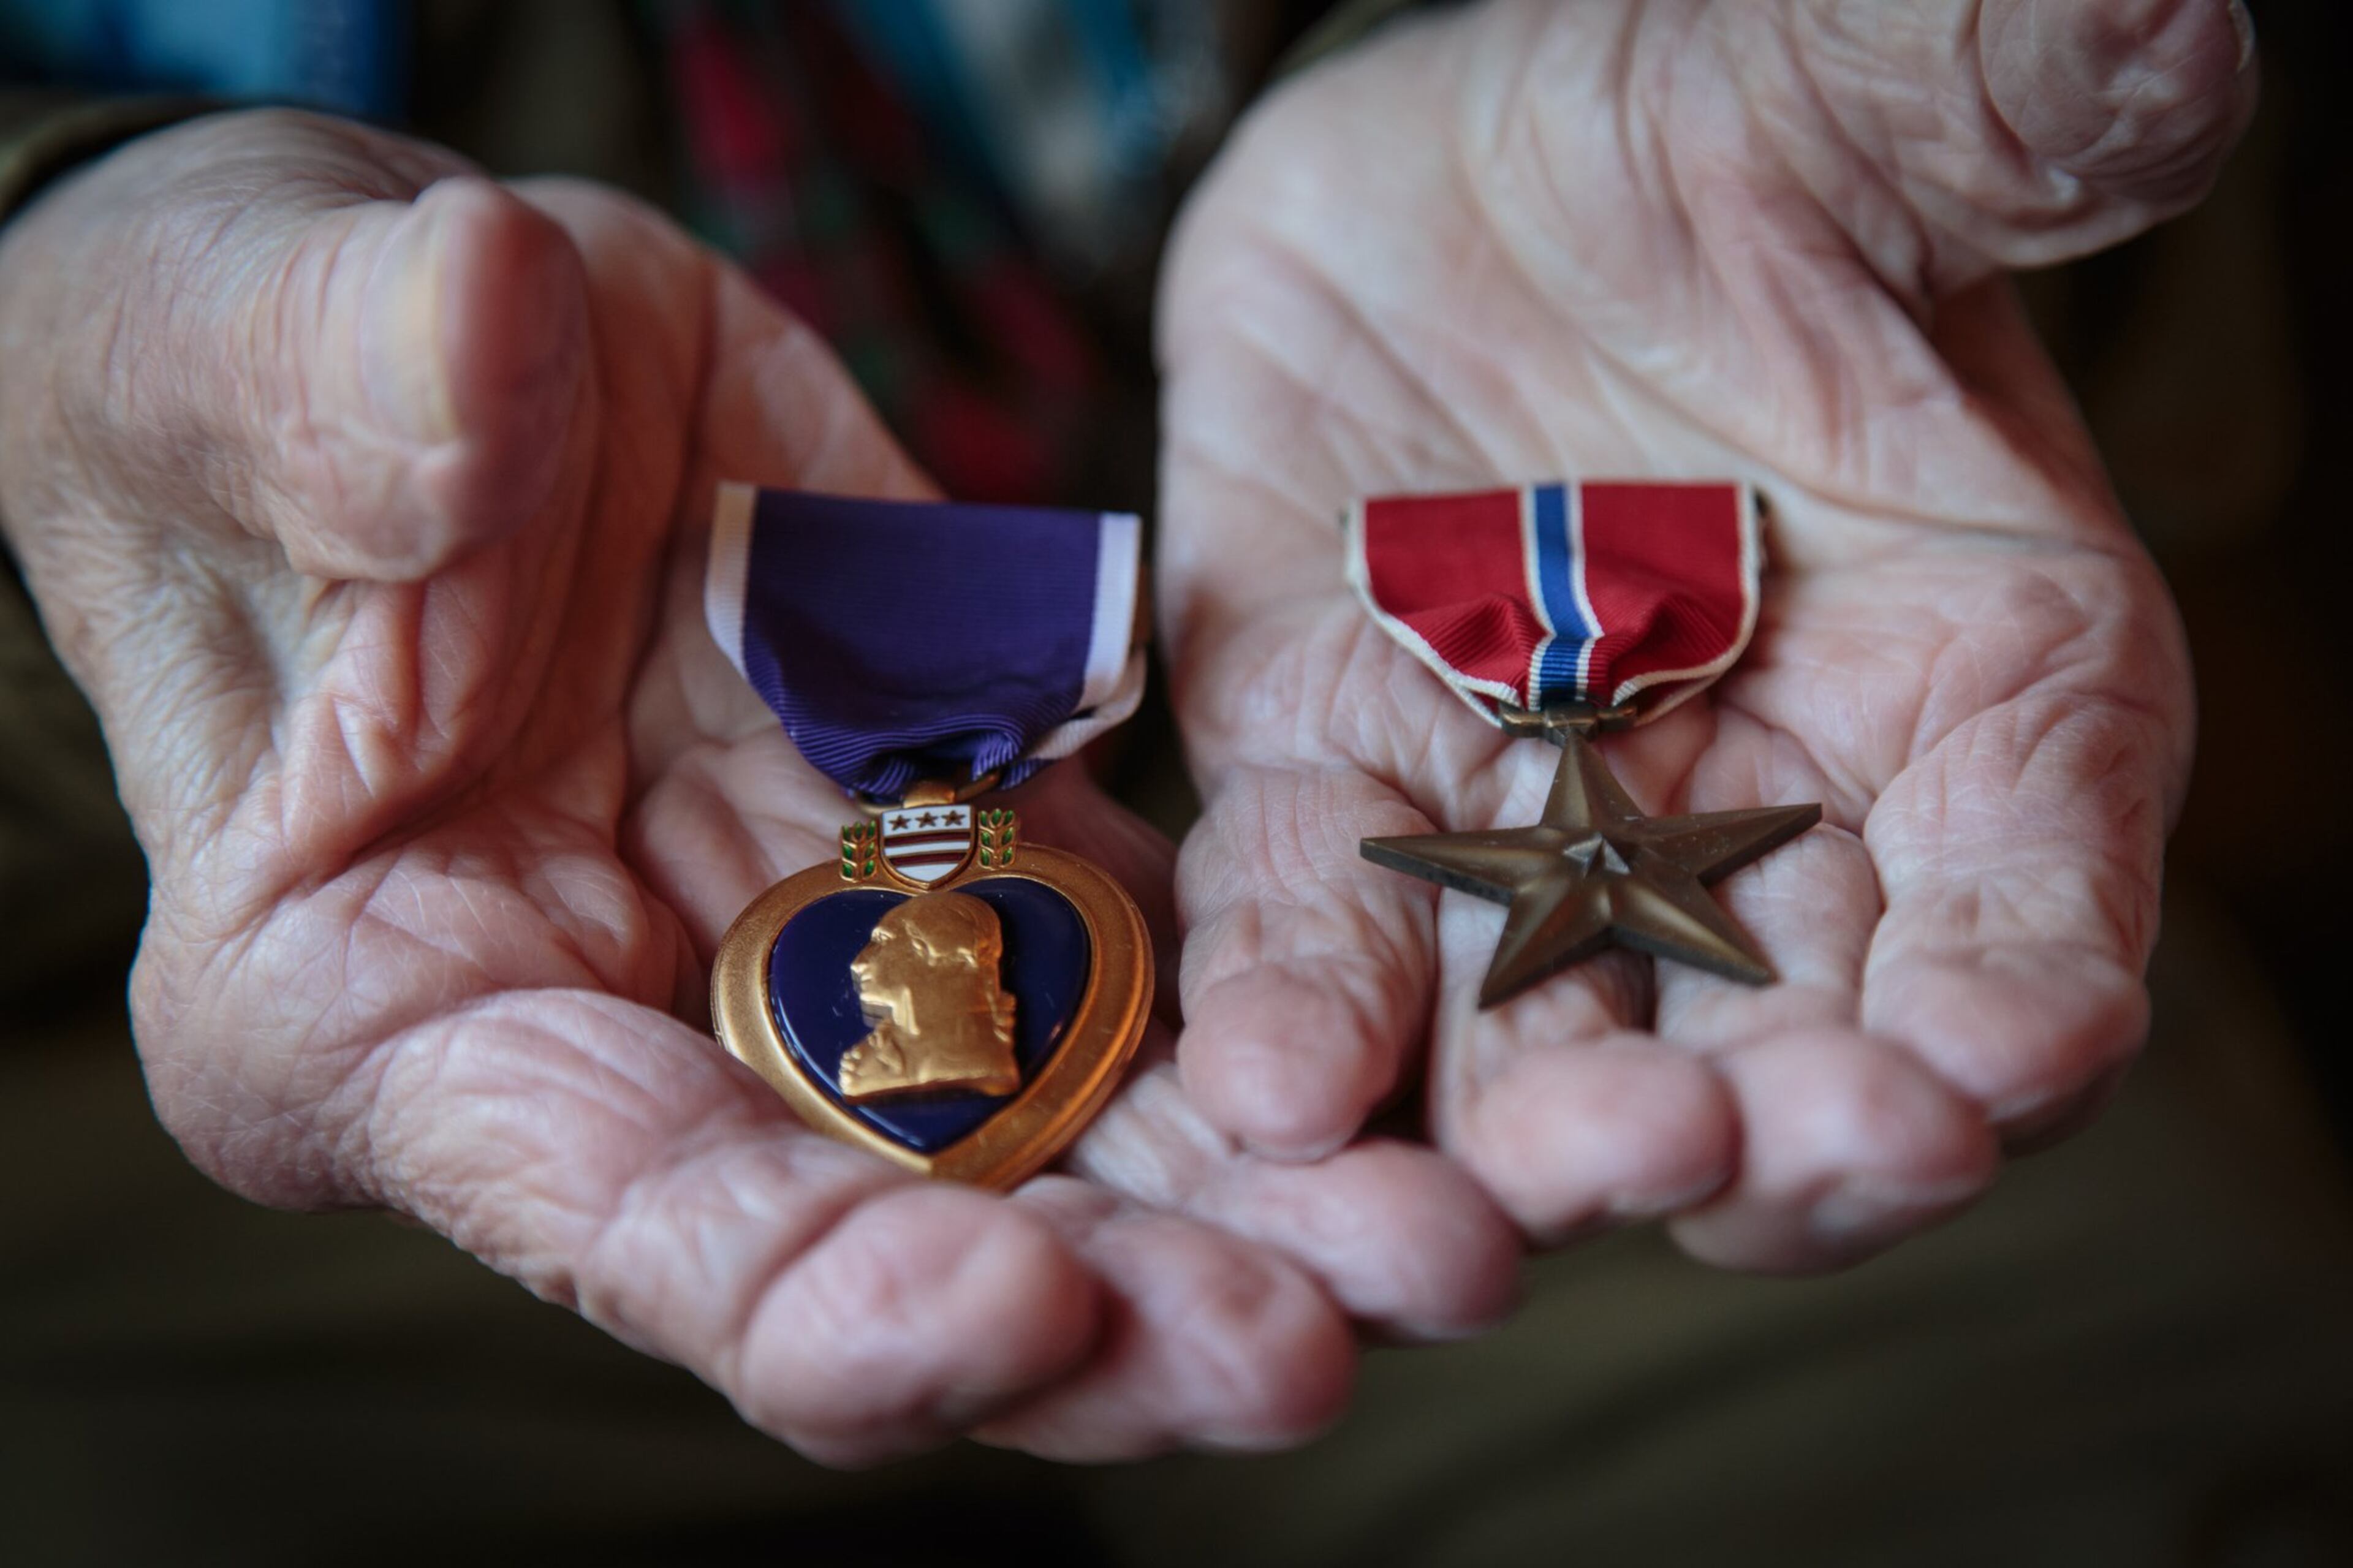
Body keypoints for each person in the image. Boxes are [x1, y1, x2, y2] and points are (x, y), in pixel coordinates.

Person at [0, 0, 2271, 1469]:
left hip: (1511, 845)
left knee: (2064, 1420)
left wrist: (1588, 75)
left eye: (930, 969)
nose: (930, 973)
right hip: (285, 938)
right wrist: (38, 294)